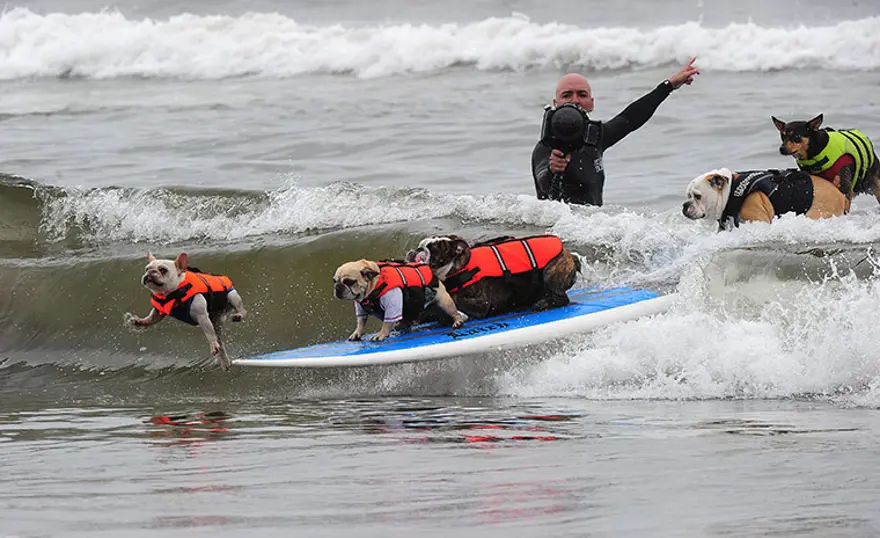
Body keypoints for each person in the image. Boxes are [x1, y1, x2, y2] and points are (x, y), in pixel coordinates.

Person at [531, 57, 700, 206]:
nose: (575, 100)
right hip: (556, 231)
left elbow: (630, 118)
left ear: (591, 103)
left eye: (582, 94)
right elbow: (543, 183)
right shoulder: (545, 147)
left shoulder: (595, 137)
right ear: (556, 103)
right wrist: (553, 169)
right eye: (567, 95)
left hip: (591, 229)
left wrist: (668, 86)